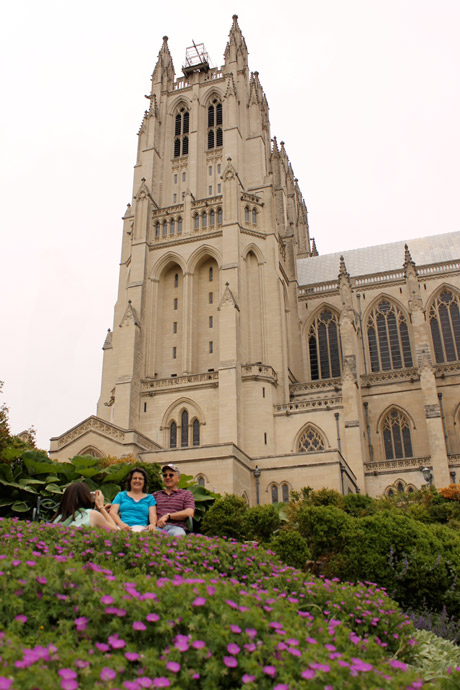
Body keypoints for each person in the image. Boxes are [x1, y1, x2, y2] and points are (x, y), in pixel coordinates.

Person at [53, 482, 117, 530]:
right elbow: (115, 531)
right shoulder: (92, 514)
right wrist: (101, 507)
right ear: (86, 497)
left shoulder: (58, 518)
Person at [109, 467, 157, 532]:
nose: (137, 480)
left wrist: (152, 524)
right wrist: (121, 524)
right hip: (122, 527)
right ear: (130, 481)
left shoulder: (150, 498)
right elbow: (112, 512)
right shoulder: (121, 495)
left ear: (144, 482)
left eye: (140, 479)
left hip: (142, 528)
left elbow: (153, 515)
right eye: (134, 478)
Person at [154, 464, 195, 537]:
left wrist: (168, 516)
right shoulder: (155, 495)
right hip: (157, 528)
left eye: (171, 475)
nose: (167, 477)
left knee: (179, 536)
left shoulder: (186, 494)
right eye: (165, 475)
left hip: (176, 528)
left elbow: (189, 512)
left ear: (178, 478)